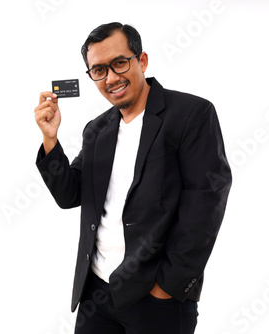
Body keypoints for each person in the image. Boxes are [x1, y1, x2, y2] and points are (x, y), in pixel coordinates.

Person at [34, 22, 232, 334]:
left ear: (141, 61)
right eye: (99, 70)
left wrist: (168, 286)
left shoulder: (191, 114)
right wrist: (50, 140)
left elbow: (205, 203)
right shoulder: (97, 129)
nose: (111, 77)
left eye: (119, 63)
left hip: (157, 297)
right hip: (96, 292)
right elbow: (69, 195)